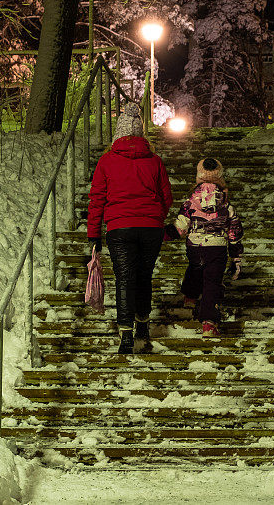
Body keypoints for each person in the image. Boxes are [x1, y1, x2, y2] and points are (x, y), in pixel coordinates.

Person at [87, 103, 172, 353]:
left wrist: (94, 233)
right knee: (144, 276)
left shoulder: (106, 161)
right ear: (141, 135)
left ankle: (125, 333)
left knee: (125, 278)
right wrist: (156, 216)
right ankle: (143, 325)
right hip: (150, 229)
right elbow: (166, 197)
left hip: (119, 229)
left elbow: (97, 199)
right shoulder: (155, 161)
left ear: (118, 135)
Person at [165, 158, 244, 337]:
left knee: (195, 268)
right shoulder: (225, 203)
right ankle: (208, 323)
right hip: (217, 248)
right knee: (212, 283)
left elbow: (180, 227)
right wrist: (236, 256)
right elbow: (234, 232)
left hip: (195, 245)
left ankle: (190, 298)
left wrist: (161, 234)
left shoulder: (190, 202)